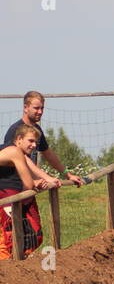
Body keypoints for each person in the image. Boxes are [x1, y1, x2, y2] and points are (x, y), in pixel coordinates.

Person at [3, 91, 85, 186]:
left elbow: (49, 154)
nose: (40, 112)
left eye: (42, 108)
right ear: (25, 108)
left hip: (29, 186)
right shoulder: (16, 130)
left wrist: (68, 175)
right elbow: (23, 159)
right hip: (12, 186)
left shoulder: (37, 130)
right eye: (36, 108)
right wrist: (47, 178)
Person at [0, 124, 57, 260]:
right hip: (6, 196)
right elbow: (28, 184)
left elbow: (29, 172)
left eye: (36, 143)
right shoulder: (15, 152)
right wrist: (34, 184)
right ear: (19, 138)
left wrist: (43, 180)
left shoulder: (13, 151)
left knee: (29, 235)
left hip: (7, 194)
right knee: (9, 236)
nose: (34, 145)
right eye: (30, 141)